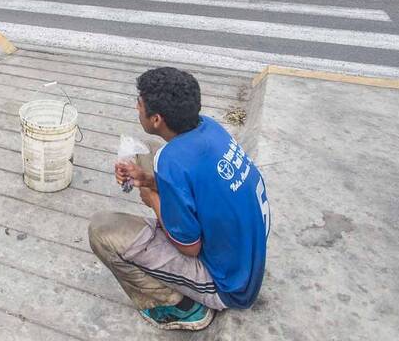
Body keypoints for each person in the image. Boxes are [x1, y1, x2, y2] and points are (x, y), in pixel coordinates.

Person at [89, 67, 269, 332]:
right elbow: (194, 180)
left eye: (139, 105)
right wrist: (149, 179)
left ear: (157, 119)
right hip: (248, 256)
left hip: (228, 284)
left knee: (102, 230)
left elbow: (190, 248)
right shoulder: (209, 126)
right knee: (150, 154)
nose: (137, 109)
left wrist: (151, 197)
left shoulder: (172, 162)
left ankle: (180, 307)